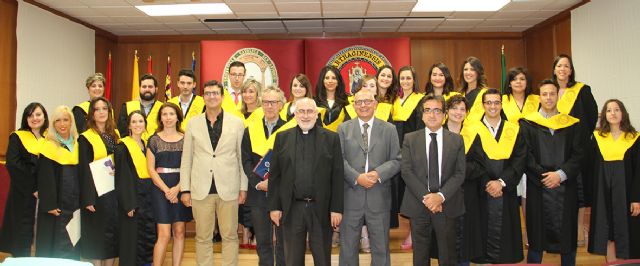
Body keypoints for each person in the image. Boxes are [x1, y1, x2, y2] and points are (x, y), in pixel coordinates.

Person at [268, 97, 344, 266]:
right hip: (292, 208)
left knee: (323, 258)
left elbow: (337, 176)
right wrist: (274, 206)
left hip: (321, 209)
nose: (305, 115)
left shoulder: (331, 139)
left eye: (310, 111)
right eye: (301, 111)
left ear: (317, 114)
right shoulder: (282, 138)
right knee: (292, 259)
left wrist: (336, 209)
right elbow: (275, 176)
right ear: (295, 114)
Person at [179, 80, 248, 266]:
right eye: (208, 93)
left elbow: (242, 158)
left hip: (229, 188)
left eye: (215, 93)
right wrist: (185, 189)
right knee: (202, 237)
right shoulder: (193, 124)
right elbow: (187, 159)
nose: (212, 96)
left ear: (222, 97)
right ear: (203, 97)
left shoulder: (237, 123)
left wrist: (243, 187)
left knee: (230, 236)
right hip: (201, 188)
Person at [520, 79, 585, 266]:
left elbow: (578, 154)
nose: (548, 98)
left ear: (558, 96)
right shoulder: (527, 124)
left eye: (552, 94)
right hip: (538, 186)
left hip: (566, 186)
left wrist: (561, 174)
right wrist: (545, 177)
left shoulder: (571, 123)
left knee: (567, 236)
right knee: (536, 237)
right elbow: (526, 156)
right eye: (544, 94)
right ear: (539, 97)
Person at [400, 94, 465, 266]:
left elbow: (459, 173)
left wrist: (440, 197)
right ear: (422, 115)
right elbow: (406, 172)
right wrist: (428, 198)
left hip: (447, 204)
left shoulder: (456, 140)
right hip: (418, 203)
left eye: (437, 110)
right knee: (420, 255)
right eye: (427, 110)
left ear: (444, 115)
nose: (432, 115)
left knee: (448, 254)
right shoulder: (410, 139)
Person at [338, 89, 401, 266]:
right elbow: (338, 160)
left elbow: (397, 160)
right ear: (353, 105)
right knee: (348, 248)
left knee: (381, 248)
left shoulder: (389, 129)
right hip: (351, 196)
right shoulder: (343, 128)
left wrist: (378, 174)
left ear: (375, 104)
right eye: (359, 102)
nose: (363, 105)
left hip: (379, 196)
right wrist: (357, 178)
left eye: (367, 101)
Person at [465, 88, 526, 264]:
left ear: (501, 104)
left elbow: (520, 159)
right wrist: (487, 183)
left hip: (506, 189)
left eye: (496, 102)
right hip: (482, 191)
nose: (493, 106)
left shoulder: (513, 129)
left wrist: (501, 182)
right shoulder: (471, 129)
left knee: (506, 237)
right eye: (489, 102)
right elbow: (468, 161)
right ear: (483, 105)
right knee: (482, 232)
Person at [241, 86, 294, 266]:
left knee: (283, 241)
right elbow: (246, 160)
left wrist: (274, 183)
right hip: (258, 194)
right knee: (263, 242)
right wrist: (258, 184)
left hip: (282, 194)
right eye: (265, 102)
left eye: (273, 102)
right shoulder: (250, 129)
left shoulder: (290, 129)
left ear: (281, 105)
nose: (269, 106)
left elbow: (293, 163)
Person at [551, 54, 598, 246]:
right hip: (554, 149)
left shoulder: (582, 90)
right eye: (559, 65)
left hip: (577, 149)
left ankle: (579, 232)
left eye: (566, 66)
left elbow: (592, 116)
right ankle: (559, 231)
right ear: (554, 69)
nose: (562, 69)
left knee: (578, 191)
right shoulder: (548, 91)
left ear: (571, 70)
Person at [588, 99, 640, 261]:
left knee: (627, 231)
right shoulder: (597, 138)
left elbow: (639, 171)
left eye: (617, 109)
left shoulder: (634, 138)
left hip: (626, 195)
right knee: (607, 230)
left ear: (623, 113)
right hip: (603, 194)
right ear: (604, 115)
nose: (613, 113)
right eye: (609, 110)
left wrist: (636, 198)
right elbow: (590, 169)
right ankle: (611, 263)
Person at [0, 103, 48, 257]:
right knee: (22, 234)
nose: (35, 118)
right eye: (30, 115)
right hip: (23, 193)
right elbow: (14, 164)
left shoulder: (50, 138)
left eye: (38, 114)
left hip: (46, 194)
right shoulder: (17, 137)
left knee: (43, 234)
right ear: (25, 118)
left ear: (44, 117)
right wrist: (33, 188)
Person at [147, 103, 192, 266]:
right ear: (160, 118)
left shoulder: (186, 138)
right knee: (164, 234)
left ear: (178, 117)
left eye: (171, 114)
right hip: (160, 189)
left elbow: (190, 166)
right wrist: (167, 190)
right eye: (164, 114)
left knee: (179, 232)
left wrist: (178, 188)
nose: (168, 117)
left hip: (181, 186)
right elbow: (151, 170)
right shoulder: (154, 140)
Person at [78, 97, 120, 266]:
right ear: (92, 114)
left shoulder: (115, 135)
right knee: (97, 234)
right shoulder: (85, 138)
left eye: (105, 108)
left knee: (112, 232)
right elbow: (83, 170)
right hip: (96, 193)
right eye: (97, 109)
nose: (102, 112)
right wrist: (88, 198)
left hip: (113, 192)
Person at [35, 105, 80, 259]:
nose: (62, 124)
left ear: (71, 122)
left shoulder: (77, 145)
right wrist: (49, 204)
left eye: (66, 120)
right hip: (55, 205)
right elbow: (45, 178)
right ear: (53, 124)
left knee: (72, 240)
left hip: (74, 204)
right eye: (58, 121)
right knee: (52, 246)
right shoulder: (48, 146)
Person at [502, 67, 539, 246]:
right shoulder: (501, 102)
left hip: (532, 153)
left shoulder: (537, 101)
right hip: (510, 152)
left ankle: (530, 233)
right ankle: (513, 235)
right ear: (509, 83)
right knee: (511, 194)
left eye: (522, 79)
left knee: (527, 195)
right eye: (515, 79)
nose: (518, 82)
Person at [115, 111, 157, 266]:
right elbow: (122, 177)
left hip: (149, 196)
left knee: (148, 234)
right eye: (134, 122)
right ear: (129, 125)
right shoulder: (122, 147)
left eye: (141, 121)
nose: (138, 124)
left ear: (145, 124)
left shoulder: (149, 144)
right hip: (133, 197)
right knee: (132, 238)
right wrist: (128, 203)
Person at [392, 65, 424, 250]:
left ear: (414, 80)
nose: (405, 81)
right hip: (395, 153)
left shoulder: (420, 101)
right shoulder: (395, 101)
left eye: (408, 78)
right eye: (402, 78)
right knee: (400, 192)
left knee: (413, 193)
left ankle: (413, 233)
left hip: (412, 153)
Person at [117, 73, 163, 139]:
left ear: (156, 89)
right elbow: (122, 132)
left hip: (156, 147)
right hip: (132, 147)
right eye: (144, 87)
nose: (147, 89)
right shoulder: (127, 107)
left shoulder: (163, 108)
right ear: (139, 88)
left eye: (150, 87)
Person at [314, 65, 349, 132]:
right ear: (322, 81)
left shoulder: (347, 101)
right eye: (327, 78)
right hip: (320, 139)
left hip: (341, 139)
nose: (330, 81)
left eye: (334, 78)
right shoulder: (314, 102)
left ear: (338, 81)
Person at [458, 57, 488, 121]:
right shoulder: (459, 94)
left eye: (472, 69)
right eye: (465, 69)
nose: (468, 72)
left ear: (478, 72)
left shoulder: (485, 94)